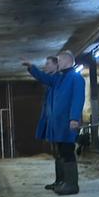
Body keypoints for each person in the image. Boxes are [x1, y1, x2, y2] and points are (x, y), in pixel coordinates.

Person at [21, 50, 85, 195]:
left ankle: (72, 185)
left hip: (67, 122)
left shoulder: (76, 78)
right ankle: (62, 181)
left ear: (67, 61)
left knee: (67, 152)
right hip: (58, 123)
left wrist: (74, 118)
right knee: (60, 152)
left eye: (60, 61)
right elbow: (44, 77)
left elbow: (78, 99)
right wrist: (31, 67)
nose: (58, 63)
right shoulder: (59, 79)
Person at [34, 56, 60, 189]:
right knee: (56, 152)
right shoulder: (52, 83)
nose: (46, 66)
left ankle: (64, 182)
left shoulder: (58, 79)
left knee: (61, 153)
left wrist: (31, 67)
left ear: (56, 65)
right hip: (52, 122)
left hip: (58, 122)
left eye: (48, 64)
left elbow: (42, 77)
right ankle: (59, 181)